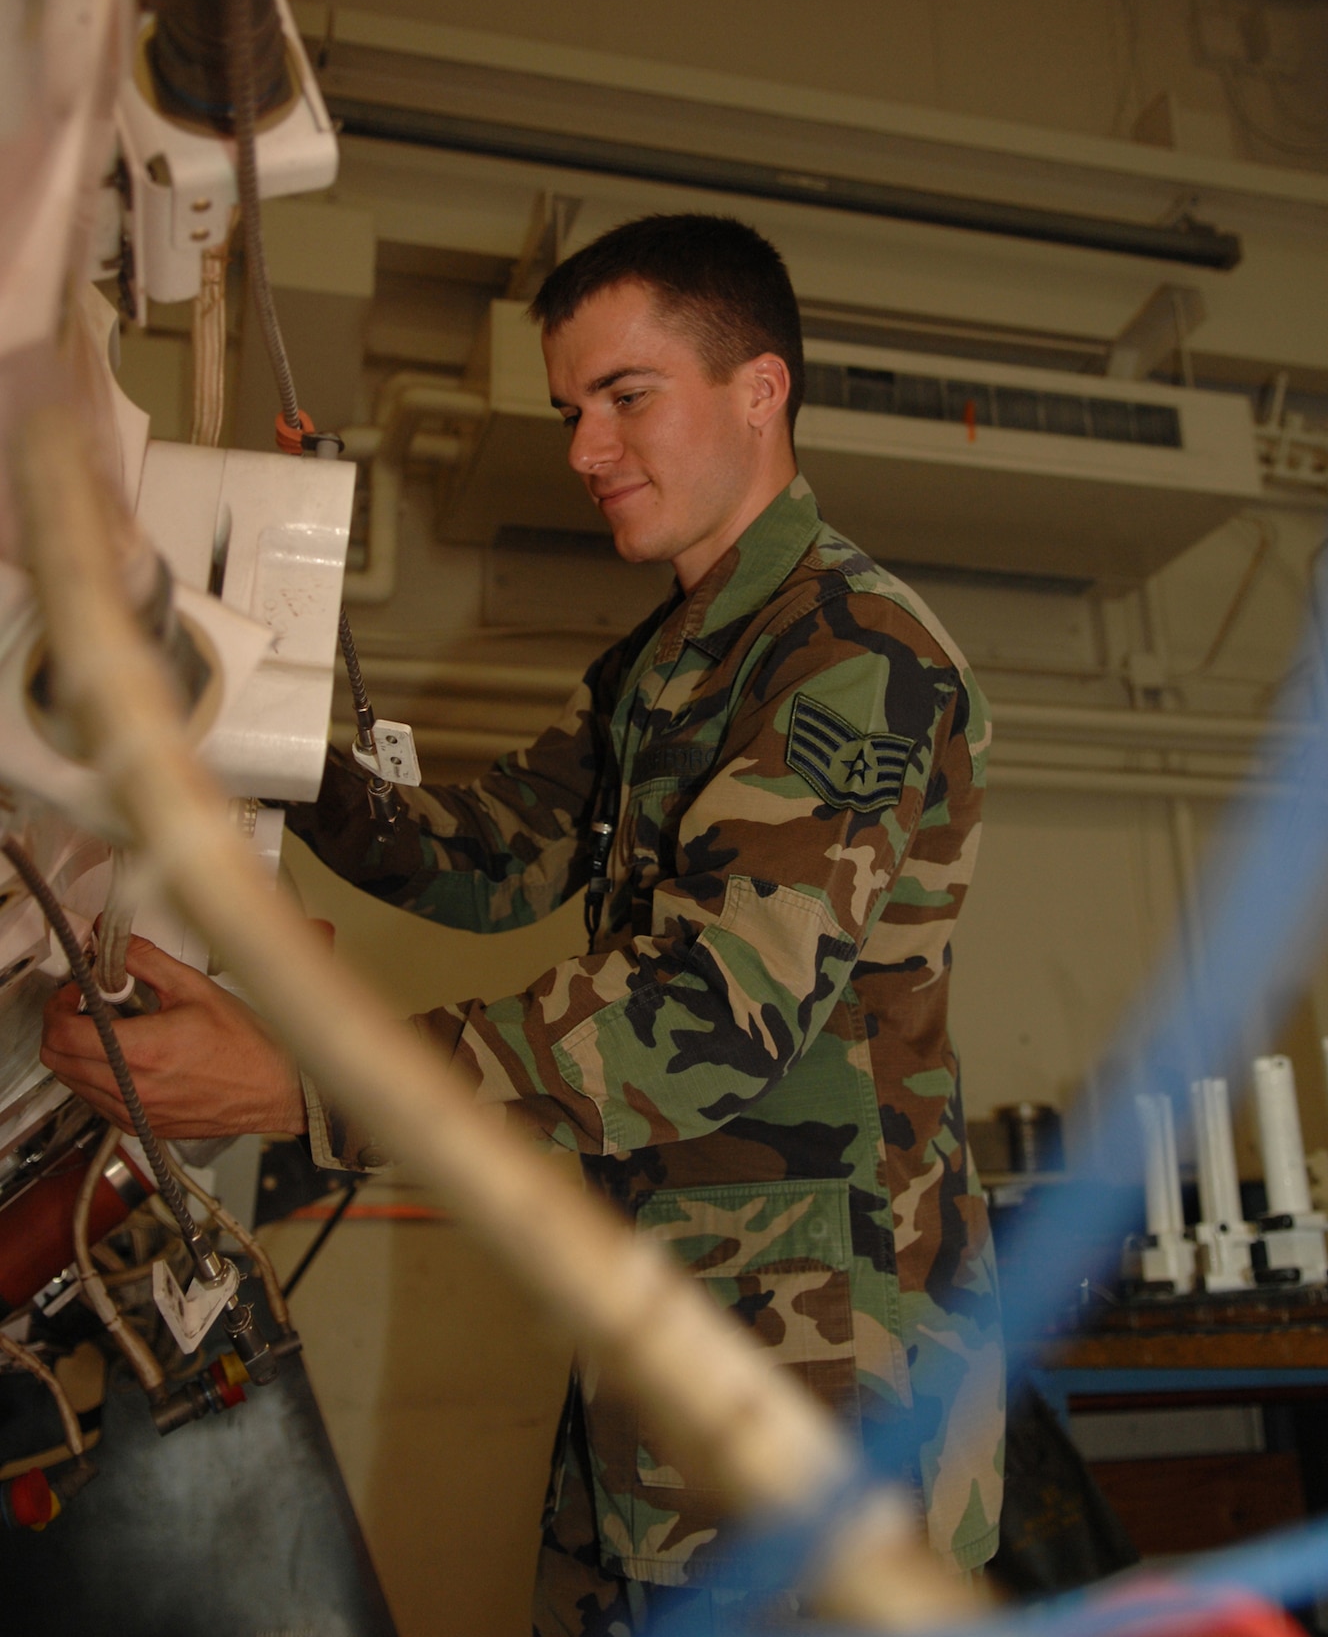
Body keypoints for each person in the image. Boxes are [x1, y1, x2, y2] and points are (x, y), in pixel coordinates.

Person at [42, 213, 1002, 1632]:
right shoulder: (663, 664)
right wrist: (246, 718)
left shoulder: (850, 657)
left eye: (625, 397)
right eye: (570, 411)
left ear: (760, 390)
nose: (583, 451)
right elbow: (478, 863)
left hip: (828, 1386)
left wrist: (304, 1087)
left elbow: (703, 1016)